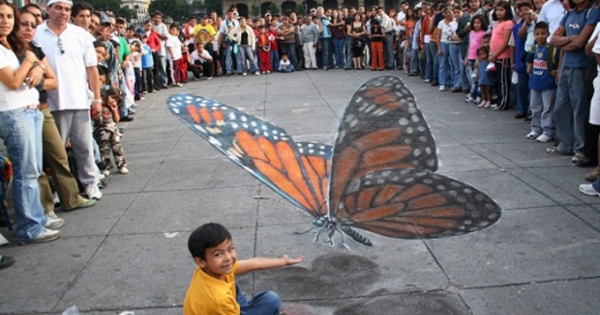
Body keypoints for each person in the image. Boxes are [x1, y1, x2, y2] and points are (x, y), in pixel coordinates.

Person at [18, 9, 96, 215]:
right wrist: (32, 66)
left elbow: (52, 79)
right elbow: (14, 81)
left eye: (31, 25)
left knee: (65, 154)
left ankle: (76, 193)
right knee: (35, 164)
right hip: (22, 111)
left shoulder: (33, 48)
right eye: (23, 24)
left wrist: (36, 71)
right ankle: (43, 208)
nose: (28, 29)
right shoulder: (18, 49)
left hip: (44, 107)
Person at [0, 0, 64, 243]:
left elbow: (42, 76)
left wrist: (35, 66)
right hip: (14, 113)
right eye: (1, 16)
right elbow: (14, 82)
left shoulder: (9, 47)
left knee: (34, 170)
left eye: (8, 16)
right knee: (25, 173)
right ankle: (30, 227)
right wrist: (30, 61)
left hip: (30, 110)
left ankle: (36, 216)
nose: (5, 21)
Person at [34, 0, 103, 200]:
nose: (62, 13)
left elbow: (92, 69)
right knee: (56, 152)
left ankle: (90, 182)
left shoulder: (81, 35)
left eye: (66, 9)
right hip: (51, 102)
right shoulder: (37, 34)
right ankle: (60, 188)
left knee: (84, 147)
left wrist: (97, 98)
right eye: (58, 8)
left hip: (79, 100)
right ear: (48, 10)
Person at [183, 223, 303, 315]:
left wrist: (283, 261)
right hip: (221, 307)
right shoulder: (218, 299)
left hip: (225, 305)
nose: (228, 258)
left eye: (230, 249)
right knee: (271, 300)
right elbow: (219, 301)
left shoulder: (211, 270)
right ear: (200, 261)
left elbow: (253, 263)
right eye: (218, 254)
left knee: (266, 297)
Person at [548, 0, 599, 166]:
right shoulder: (570, 13)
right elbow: (553, 39)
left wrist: (565, 42)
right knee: (561, 107)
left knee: (580, 110)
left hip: (582, 68)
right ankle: (565, 144)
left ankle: (581, 149)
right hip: (566, 66)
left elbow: (581, 43)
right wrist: (569, 40)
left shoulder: (593, 12)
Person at [526, 21, 558, 143]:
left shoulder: (552, 49)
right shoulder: (534, 48)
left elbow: (557, 61)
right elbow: (529, 60)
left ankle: (547, 131)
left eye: (543, 34)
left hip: (548, 83)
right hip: (535, 83)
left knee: (548, 107)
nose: (540, 36)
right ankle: (535, 128)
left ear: (548, 34)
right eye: (537, 34)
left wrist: (555, 71)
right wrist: (529, 65)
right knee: (535, 107)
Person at [93, 88, 128, 176]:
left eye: (116, 100)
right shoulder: (100, 106)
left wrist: (115, 110)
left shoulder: (112, 108)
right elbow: (95, 119)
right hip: (102, 131)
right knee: (104, 150)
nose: (113, 101)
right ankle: (106, 166)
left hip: (113, 130)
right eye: (112, 98)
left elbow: (116, 120)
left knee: (117, 148)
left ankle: (121, 165)